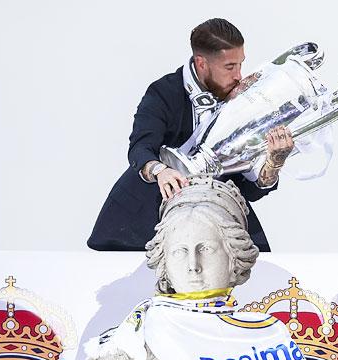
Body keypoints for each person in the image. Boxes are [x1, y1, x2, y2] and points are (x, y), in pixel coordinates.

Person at [58, 176, 338, 360]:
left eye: (206, 248)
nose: (193, 264)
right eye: (179, 251)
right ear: (164, 261)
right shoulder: (130, 342)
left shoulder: (264, 341)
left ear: (235, 258)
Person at [87, 18, 300, 253]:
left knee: (256, 272)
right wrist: (161, 171)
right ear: (201, 63)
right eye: (230, 67)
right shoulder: (164, 92)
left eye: (241, 64)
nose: (239, 76)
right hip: (142, 222)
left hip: (215, 218)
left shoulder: (244, 98)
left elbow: (249, 190)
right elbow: (140, 147)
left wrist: (274, 161)